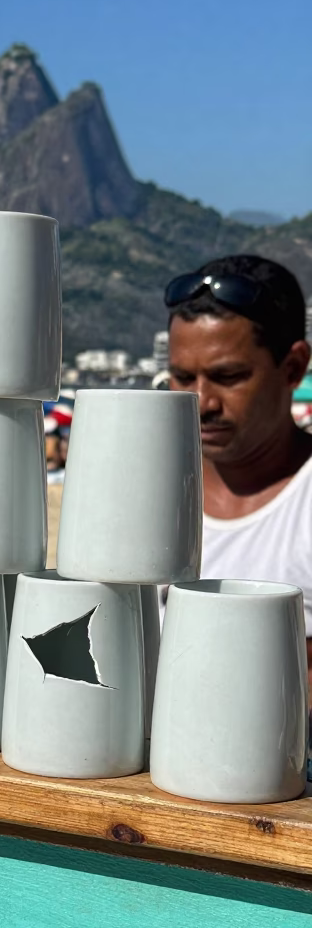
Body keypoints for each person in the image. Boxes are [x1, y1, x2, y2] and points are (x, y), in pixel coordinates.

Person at [165, 253, 312, 683]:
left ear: (294, 367)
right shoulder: (146, 498)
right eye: (181, 377)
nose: (202, 402)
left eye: (228, 376)